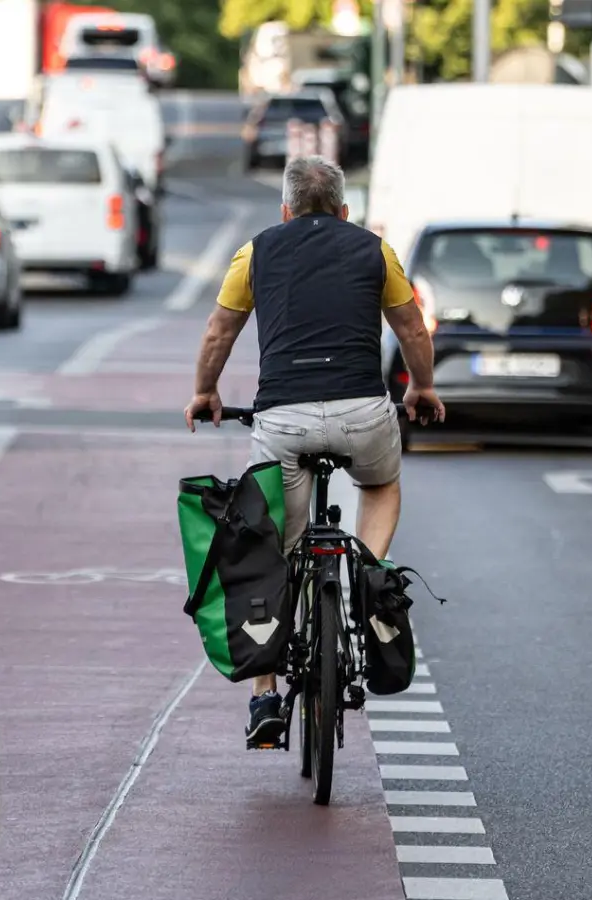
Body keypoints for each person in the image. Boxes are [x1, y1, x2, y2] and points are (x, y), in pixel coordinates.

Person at [182, 155, 444, 746]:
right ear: (345, 210)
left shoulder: (257, 252)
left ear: (285, 209)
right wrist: (421, 388)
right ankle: (368, 576)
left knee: (273, 550)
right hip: (361, 411)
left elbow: (219, 332)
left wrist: (205, 393)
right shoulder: (375, 251)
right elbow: (412, 330)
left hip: (283, 419)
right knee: (380, 486)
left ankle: (265, 697)